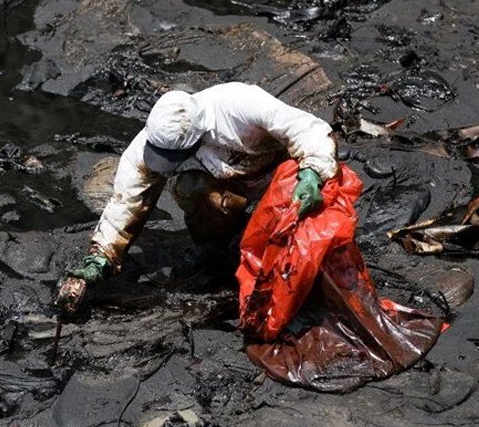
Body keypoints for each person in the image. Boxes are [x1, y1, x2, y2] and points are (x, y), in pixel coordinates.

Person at [56, 82, 338, 313]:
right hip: (235, 184)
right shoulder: (151, 140)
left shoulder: (241, 103)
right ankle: (223, 249)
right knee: (187, 187)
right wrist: (102, 254)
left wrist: (312, 171)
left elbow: (308, 128)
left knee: (298, 240)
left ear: (197, 134)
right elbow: (127, 198)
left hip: (282, 176)